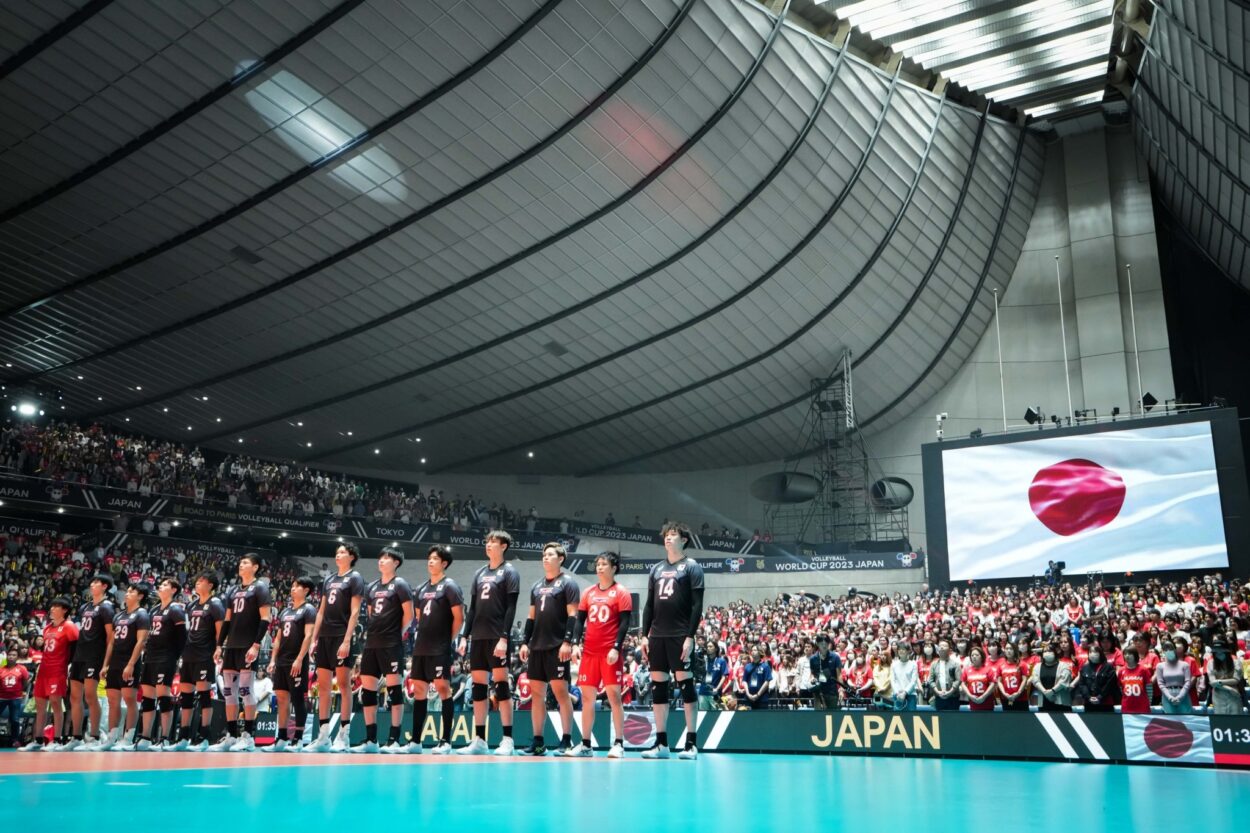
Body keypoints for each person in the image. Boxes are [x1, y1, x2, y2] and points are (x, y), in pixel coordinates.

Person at [640, 522, 703, 759]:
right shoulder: (656, 569)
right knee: (659, 687)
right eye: (666, 535)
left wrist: (690, 636)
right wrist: (644, 636)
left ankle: (691, 744)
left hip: (680, 635)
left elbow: (697, 606)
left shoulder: (692, 567)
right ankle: (661, 744)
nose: (668, 538)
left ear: (684, 540)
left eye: (673, 535)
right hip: (657, 636)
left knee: (686, 685)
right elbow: (648, 605)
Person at [457, 530, 521, 756]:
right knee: (479, 688)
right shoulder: (479, 573)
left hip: (497, 636)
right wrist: (465, 636)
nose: (489, 545)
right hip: (478, 637)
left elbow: (511, 607)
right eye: (487, 541)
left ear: (503, 546)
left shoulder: (509, 572)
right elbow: (472, 608)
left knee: (502, 686)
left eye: (493, 542)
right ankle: (480, 740)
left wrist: (504, 637)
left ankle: (507, 739)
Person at [517, 542, 579, 756]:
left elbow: (573, 615)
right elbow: (530, 617)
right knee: (537, 695)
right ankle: (538, 742)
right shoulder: (536, 586)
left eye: (550, 554)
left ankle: (566, 740)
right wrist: (525, 641)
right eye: (544, 554)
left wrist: (567, 642)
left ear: (560, 559)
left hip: (557, 646)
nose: (545, 557)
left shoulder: (568, 583)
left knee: (562, 694)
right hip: (537, 647)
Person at [352, 547, 414, 753]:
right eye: (380, 557)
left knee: (394, 690)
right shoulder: (372, 587)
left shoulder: (401, 584)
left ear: (396, 562)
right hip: (372, 644)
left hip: (392, 644)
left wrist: (397, 633)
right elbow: (370, 614)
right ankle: (371, 740)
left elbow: (409, 615)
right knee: (368, 691)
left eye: (386, 558)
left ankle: (394, 739)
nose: (381, 560)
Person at [209, 554, 272, 752]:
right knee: (229, 693)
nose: (241, 565)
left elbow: (266, 618)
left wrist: (256, 644)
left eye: (245, 562)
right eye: (240, 562)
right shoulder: (233, 590)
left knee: (245, 691)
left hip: (247, 646)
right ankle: (231, 735)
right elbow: (227, 620)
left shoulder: (260, 587)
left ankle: (248, 736)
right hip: (231, 647)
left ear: (255, 567)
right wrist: (219, 645)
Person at [307, 542, 365, 753]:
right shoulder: (329, 579)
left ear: (352, 556)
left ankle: (344, 734)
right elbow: (321, 611)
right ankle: (323, 736)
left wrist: (347, 640)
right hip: (325, 637)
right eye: (337, 551)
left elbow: (355, 611)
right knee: (323, 686)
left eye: (342, 552)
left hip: (342, 635)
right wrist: (314, 638)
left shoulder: (355, 578)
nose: (338, 554)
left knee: (343, 684)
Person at [406, 545, 463, 755]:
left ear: (444, 563)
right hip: (421, 646)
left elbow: (459, 617)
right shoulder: (421, 588)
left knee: (442, 689)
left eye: (435, 559)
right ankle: (416, 741)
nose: (430, 561)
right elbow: (419, 617)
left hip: (440, 647)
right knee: (419, 690)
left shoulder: (450, 586)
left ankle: (445, 741)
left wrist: (447, 640)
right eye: (429, 558)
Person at [574, 551, 631, 758]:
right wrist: (575, 644)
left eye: (604, 564)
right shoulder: (588, 592)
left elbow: (625, 622)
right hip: (589, 652)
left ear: (614, 568)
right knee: (587, 698)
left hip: (609, 653)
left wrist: (616, 647)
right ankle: (586, 744)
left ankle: (618, 744)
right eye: (597, 564)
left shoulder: (621, 592)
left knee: (614, 697)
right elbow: (580, 620)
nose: (599, 567)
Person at [128, 578, 186, 750]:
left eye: (165, 585)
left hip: (166, 657)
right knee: (147, 697)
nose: (161, 586)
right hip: (151, 657)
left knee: (163, 695)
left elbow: (182, 636)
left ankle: (165, 738)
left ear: (174, 590)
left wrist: (176, 656)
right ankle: (145, 737)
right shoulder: (153, 610)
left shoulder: (175, 609)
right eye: (160, 584)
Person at [170, 572, 225, 751]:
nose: (197, 583)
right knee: (186, 697)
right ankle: (183, 738)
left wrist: (219, 648)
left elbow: (220, 630)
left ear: (210, 585)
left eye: (202, 581)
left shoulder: (215, 604)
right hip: (188, 654)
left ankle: (204, 737)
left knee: (203, 696)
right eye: (198, 580)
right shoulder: (192, 605)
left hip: (204, 655)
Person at [93, 582, 151, 750]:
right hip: (115, 662)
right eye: (128, 591)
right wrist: (105, 665)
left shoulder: (142, 615)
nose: (127, 593)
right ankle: (111, 738)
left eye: (132, 591)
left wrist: (131, 664)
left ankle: (128, 738)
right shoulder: (119, 616)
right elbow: (111, 642)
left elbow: (141, 641)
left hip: (129, 662)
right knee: (112, 701)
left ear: (140, 596)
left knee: (130, 700)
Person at [264, 576, 317, 752]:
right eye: (292, 586)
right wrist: (273, 659)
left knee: (297, 698)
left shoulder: (308, 609)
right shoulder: (285, 612)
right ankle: (282, 738)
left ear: (306, 590)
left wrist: (300, 659)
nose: (293, 589)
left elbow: (308, 635)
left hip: (297, 660)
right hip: (282, 661)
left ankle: (299, 740)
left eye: (297, 586)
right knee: (281, 698)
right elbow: (278, 638)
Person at [21, 597, 78, 750]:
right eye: (51, 606)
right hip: (44, 670)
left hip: (58, 670)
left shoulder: (69, 626)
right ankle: (38, 740)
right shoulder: (47, 628)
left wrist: (68, 665)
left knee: (55, 704)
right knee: (40, 706)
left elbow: (75, 647)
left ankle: (56, 740)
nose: (52, 609)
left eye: (56, 606)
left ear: (64, 610)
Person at [65, 574, 115, 750]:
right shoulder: (85, 607)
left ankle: (94, 736)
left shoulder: (107, 607)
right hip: (80, 655)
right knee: (74, 696)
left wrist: (106, 662)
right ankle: (77, 736)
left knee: (90, 696)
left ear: (104, 587)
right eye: (92, 582)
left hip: (95, 656)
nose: (92, 585)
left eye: (96, 583)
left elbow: (111, 637)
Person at [1074, 642, 1119, 712]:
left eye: (1095, 652)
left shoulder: (1108, 667)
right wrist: (1088, 697)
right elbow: (1082, 684)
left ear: (1100, 653)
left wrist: (1100, 697)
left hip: (1106, 703)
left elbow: (1110, 684)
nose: (1092, 654)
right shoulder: (1084, 668)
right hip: (1089, 703)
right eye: (1090, 652)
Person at [1031, 642, 1074, 712]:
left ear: (1055, 652)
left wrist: (1052, 691)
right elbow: (1035, 681)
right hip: (1043, 703)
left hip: (1062, 704)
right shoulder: (1037, 666)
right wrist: (1045, 692)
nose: (1047, 653)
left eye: (1050, 651)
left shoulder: (1064, 665)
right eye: (1045, 651)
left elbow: (1064, 681)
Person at [1155, 640, 1194, 714]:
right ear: (1163, 651)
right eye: (1165, 649)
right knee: (1171, 722)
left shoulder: (1185, 665)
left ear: (1175, 649)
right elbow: (1160, 683)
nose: (1168, 651)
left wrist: (1180, 696)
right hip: (1167, 696)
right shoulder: (1160, 666)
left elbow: (1188, 682)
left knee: (1186, 720)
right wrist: (1169, 697)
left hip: (1183, 694)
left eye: (1170, 648)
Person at [1, 648, 30, 747]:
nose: (11, 657)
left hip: (16, 698)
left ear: (17, 657)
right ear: (7, 656)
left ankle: (15, 740)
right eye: (10, 655)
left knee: (15, 719)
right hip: (2, 698)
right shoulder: (1, 669)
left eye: (14, 655)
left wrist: (21, 692)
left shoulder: (22, 669)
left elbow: (25, 683)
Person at [1206, 636, 1243, 715]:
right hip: (1219, 696)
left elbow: (1236, 680)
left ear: (1226, 652)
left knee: (1236, 720)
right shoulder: (1211, 663)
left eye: (1221, 652)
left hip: (1234, 697)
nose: (1219, 654)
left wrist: (1218, 681)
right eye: (1217, 653)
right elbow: (1212, 683)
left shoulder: (1236, 662)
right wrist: (1229, 688)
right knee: (1221, 722)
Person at [927, 640, 962, 711]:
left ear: (949, 650)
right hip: (938, 697)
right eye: (940, 646)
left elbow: (958, 680)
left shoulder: (955, 664)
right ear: (937, 650)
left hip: (953, 698)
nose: (942, 647)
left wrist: (950, 692)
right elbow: (931, 680)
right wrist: (937, 692)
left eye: (945, 646)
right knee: (940, 720)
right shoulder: (934, 664)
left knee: (953, 719)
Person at [809, 635, 841, 710]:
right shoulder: (813, 659)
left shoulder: (835, 657)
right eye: (821, 644)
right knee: (819, 716)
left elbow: (839, 675)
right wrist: (812, 679)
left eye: (826, 644)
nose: (824, 646)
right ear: (817, 644)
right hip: (818, 692)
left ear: (829, 644)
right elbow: (812, 673)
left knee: (832, 715)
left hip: (832, 691)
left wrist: (841, 690)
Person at [960, 646, 996, 711]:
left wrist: (983, 696)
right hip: (973, 702)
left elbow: (993, 684)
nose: (974, 657)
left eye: (976, 655)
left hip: (987, 702)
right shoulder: (966, 670)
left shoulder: (988, 669)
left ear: (981, 656)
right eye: (972, 655)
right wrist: (970, 695)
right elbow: (963, 683)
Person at [995, 643, 1029, 712]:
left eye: (1011, 649)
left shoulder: (1022, 664)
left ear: (1015, 650)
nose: (1008, 651)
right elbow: (999, 681)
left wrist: (1018, 693)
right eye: (1007, 649)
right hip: (1006, 698)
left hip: (1021, 699)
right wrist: (1004, 693)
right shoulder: (1000, 665)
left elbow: (1024, 680)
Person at [1117, 647, 1152, 714]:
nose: (1127, 655)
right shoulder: (1121, 671)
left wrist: (1149, 703)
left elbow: (1149, 688)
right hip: (1127, 706)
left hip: (1143, 706)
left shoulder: (1143, 670)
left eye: (1130, 654)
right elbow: (1121, 688)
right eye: (1125, 654)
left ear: (1135, 655)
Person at [699, 640, 729, 711]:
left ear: (716, 648)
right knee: (702, 716)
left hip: (715, 693)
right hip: (703, 692)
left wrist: (717, 689)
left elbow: (724, 677)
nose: (708, 648)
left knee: (716, 716)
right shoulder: (703, 661)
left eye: (710, 646)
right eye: (707, 647)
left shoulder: (721, 661)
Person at [889, 641, 918, 711]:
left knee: (911, 719)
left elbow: (913, 681)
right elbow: (893, 680)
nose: (901, 651)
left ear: (908, 651)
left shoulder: (913, 664)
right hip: (897, 695)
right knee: (897, 719)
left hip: (911, 695)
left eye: (903, 649)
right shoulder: (894, 665)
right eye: (899, 649)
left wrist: (905, 692)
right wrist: (897, 693)